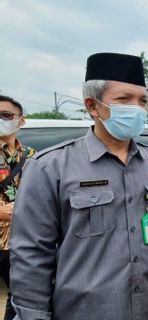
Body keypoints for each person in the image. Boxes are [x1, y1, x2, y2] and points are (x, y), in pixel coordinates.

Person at [9, 53, 148, 320]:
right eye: (124, 99)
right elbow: (31, 254)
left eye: (143, 100)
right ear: (92, 106)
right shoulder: (50, 167)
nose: (137, 108)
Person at [0, 96, 35, 320]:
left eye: (6, 115)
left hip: (19, 240)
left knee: (21, 296)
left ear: (21, 121)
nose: (1, 120)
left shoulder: (31, 156)